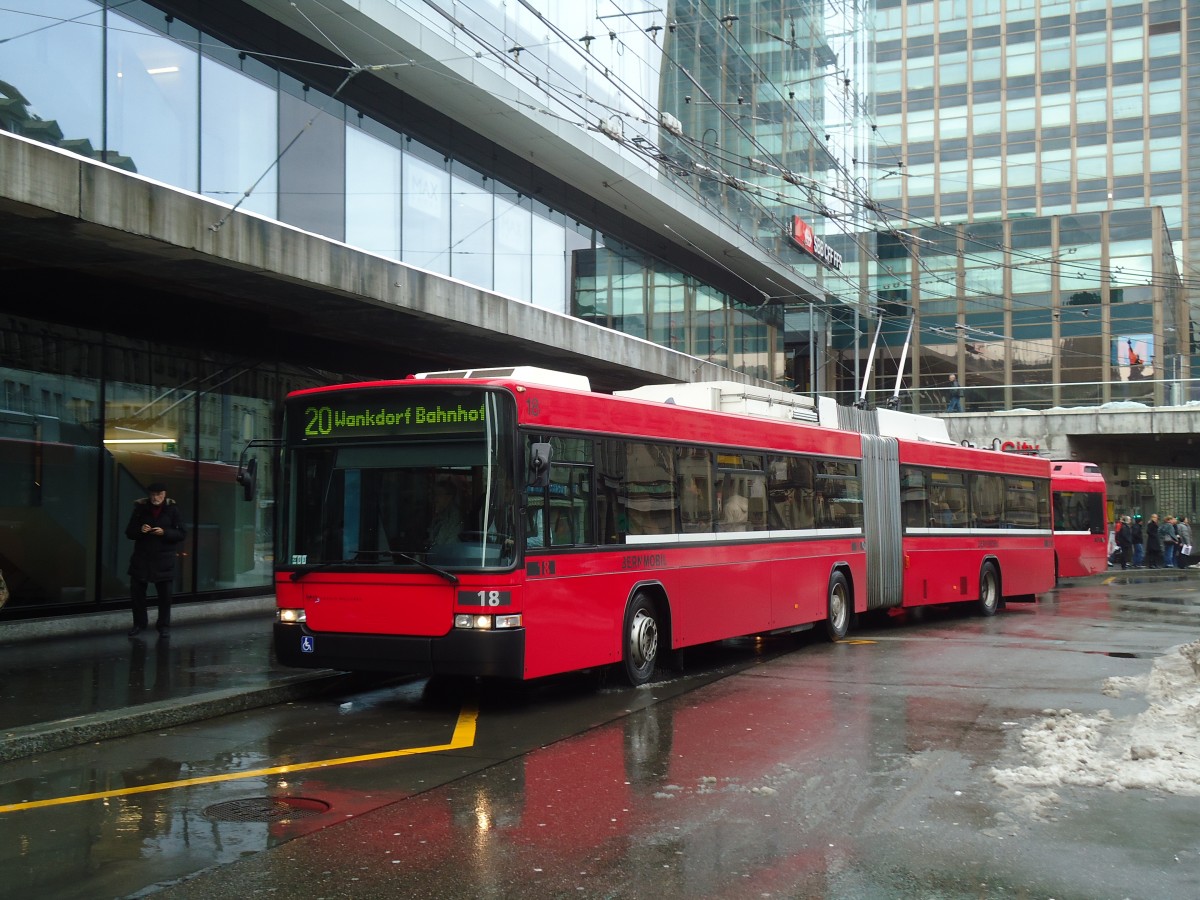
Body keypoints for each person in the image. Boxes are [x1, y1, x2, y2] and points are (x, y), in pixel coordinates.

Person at [125, 482, 186, 638]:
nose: (155, 498)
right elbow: (129, 532)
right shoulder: (140, 509)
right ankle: (139, 624)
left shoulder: (173, 510)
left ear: (164, 494)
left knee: (165, 596)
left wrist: (164, 532)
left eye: (158, 494)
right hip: (142, 559)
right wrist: (141, 530)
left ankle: (163, 626)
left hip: (164, 560)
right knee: (137, 593)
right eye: (152, 494)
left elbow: (181, 534)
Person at [426, 480, 463, 548]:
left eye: (439, 494)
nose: (435, 498)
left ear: (449, 497)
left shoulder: (454, 516)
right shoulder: (440, 514)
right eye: (435, 494)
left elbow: (449, 544)